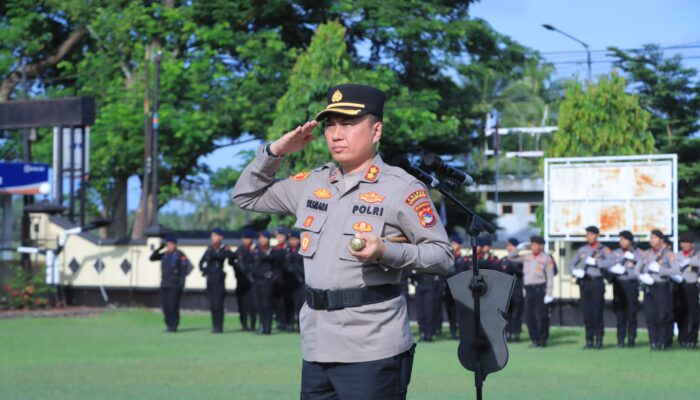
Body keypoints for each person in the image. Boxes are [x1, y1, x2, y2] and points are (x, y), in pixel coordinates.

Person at [232, 83, 453, 399]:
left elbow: (443, 256)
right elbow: (245, 196)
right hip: (317, 346)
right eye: (330, 125)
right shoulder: (312, 183)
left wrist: (386, 250)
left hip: (372, 349)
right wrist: (274, 152)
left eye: (348, 124)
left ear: (376, 131)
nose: (336, 134)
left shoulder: (402, 188)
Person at [635, 229, 680, 350]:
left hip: (661, 287)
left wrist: (660, 270)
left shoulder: (668, 254)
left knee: (661, 316)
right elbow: (636, 269)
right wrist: (641, 276)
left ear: (661, 240)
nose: (652, 240)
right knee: (650, 315)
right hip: (649, 287)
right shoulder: (647, 254)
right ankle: (653, 342)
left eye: (654, 238)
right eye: (651, 238)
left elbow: (676, 270)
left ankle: (663, 342)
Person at [597, 230, 642, 347]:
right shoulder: (616, 253)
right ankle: (620, 339)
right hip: (619, 284)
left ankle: (631, 338)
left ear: (630, 241)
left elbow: (644, 265)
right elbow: (604, 264)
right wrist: (616, 263)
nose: (621, 242)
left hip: (631, 284)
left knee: (632, 313)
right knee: (620, 313)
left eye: (624, 239)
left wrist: (635, 260)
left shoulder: (638, 253)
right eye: (620, 239)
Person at [568, 225, 609, 349]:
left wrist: (597, 262)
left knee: (597, 312)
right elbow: (571, 264)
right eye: (587, 234)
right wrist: (575, 272)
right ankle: (589, 340)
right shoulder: (582, 250)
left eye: (591, 234)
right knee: (587, 313)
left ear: (597, 235)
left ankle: (599, 340)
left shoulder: (603, 249)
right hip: (585, 283)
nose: (589, 237)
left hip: (597, 282)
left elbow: (611, 262)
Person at [149, 236, 190, 333]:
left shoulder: (180, 255)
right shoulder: (164, 254)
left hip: (175, 284)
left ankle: (174, 325)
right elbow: (152, 258)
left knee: (173, 305)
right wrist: (159, 248)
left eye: (170, 244)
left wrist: (181, 283)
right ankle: (168, 324)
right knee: (165, 306)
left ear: (175, 245)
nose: (169, 246)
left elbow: (185, 269)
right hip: (165, 284)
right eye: (167, 245)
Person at [199, 227, 234, 333]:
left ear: (221, 237)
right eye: (212, 236)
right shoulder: (209, 249)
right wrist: (204, 270)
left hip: (219, 279)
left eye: (215, 235)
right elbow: (201, 262)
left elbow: (231, 256)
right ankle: (214, 326)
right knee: (213, 304)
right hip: (210, 279)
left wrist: (222, 253)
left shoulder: (223, 248)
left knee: (219, 304)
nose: (213, 238)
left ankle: (219, 326)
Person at [523, 235, 555, 348]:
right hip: (529, 290)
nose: (533, 246)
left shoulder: (546, 258)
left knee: (542, 316)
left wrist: (549, 293)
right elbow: (512, 257)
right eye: (532, 244)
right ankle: (534, 340)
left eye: (535, 244)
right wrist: (520, 247)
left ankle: (543, 339)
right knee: (529, 317)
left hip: (540, 289)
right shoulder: (527, 257)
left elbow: (550, 277)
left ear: (541, 246)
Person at [675, 232, 699, 349]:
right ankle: (682, 338)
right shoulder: (678, 255)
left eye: (686, 242)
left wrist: (691, 262)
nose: (684, 245)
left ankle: (692, 339)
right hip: (680, 286)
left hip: (691, 286)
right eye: (682, 242)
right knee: (681, 313)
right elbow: (675, 266)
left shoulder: (696, 255)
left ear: (692, 244)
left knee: (693, 314)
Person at [498, 238, 524, 342]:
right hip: (506, 288)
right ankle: (507, 333)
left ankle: (516, 333)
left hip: (517, 287)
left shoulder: (521, 259)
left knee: (517, 312)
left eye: (510, 245)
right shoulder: (504, 259)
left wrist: (513, 267)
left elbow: (523, 272)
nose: (507, 247)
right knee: (506, 312)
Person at [231, 228, 257, 332]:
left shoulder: (255, 249)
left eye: (247, 238)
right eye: (244, 238)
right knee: (242, 305)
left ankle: (252, 325)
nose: (245, 240)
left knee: (252, 305)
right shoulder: (240, 250)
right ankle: (244, 325)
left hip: (252, 282)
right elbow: (231, 261)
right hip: (241, 282)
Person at [443, 235, 469, 340]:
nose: (452, 245)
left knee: (461, 312)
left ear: (460, 245)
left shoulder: (464, 260)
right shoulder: (448, 259)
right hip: (448, 289)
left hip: (460, 290)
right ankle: (453, 331)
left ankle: (462, 332)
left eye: (454, 243)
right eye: (451, 243)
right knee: (450, 311)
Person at [251, 230, 276, 335]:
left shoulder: (271, 250)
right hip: (257, 281)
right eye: (260, 238)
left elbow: (275, 260)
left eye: (264, 238)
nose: (261, 240)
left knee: (267, 305)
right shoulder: (256, 250)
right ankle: (261, 325)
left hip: (266, 281)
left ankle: (267, 327)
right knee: (259, 305)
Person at [286, 230, 306, 331]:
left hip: (302, 282)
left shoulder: (302, 250)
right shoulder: (289, 251)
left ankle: (301, 326)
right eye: (291, 239)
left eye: (294, 239)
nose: (292, 241)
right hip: (292, 283)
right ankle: (294, 325)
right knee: (294, 305)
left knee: (302, 305)